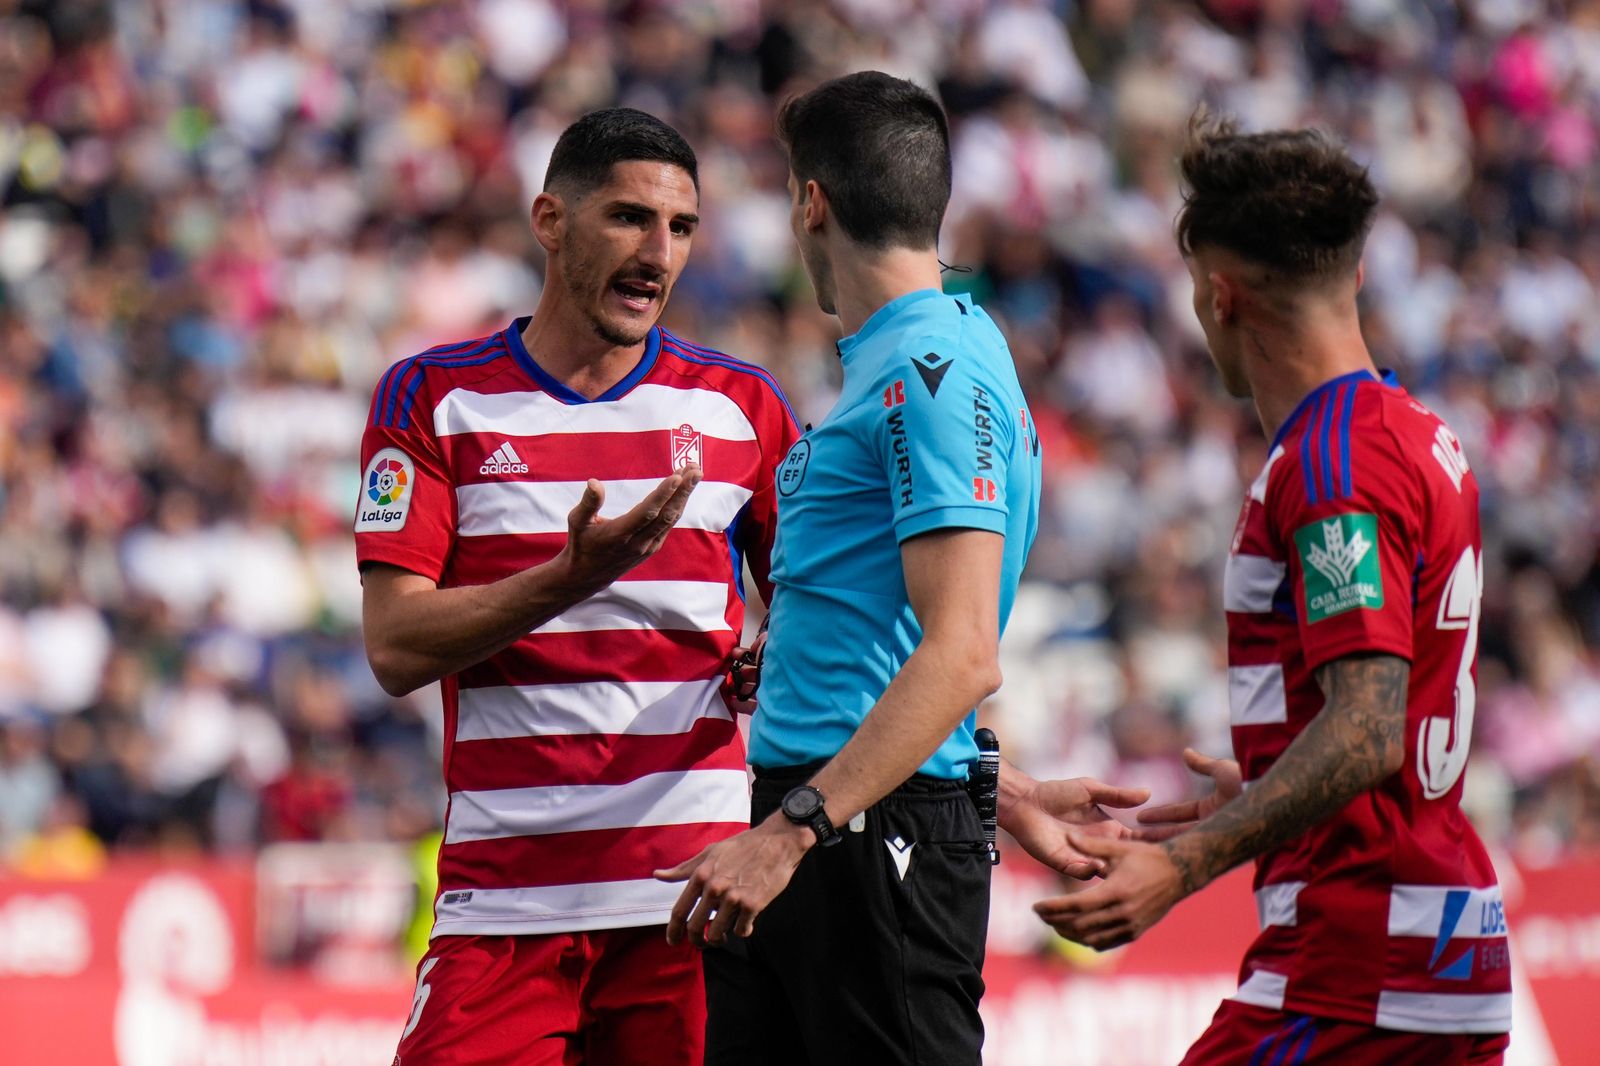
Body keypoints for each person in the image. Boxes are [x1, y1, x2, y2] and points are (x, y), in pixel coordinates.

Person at [656, 71, 1148, 1065]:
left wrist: (791, 830)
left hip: (852, 832)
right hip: (831, 813)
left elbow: (961, 652)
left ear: (812, 204)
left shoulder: (934, 369)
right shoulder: (923, 354)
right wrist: (1001, 788)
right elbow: (891, 633)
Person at [1036, 117, 1512, 1065]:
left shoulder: (1337, 463)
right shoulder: (1415, 431)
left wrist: (1182, 865)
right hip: (1430, 958)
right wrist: (1266, 789)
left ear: (1219, 295)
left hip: (1359, 970)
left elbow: (1368, 729)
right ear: (1356, 273)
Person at [356, 108, 799, 1066]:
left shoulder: (744, 408)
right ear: (550, 221)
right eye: (629, 218)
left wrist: (779, 659)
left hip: (692, 904)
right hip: (503, 908)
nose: (658, 253)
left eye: (681, 227)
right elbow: (394, 646)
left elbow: (819, 615)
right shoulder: (433, 397)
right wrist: (569, 578)